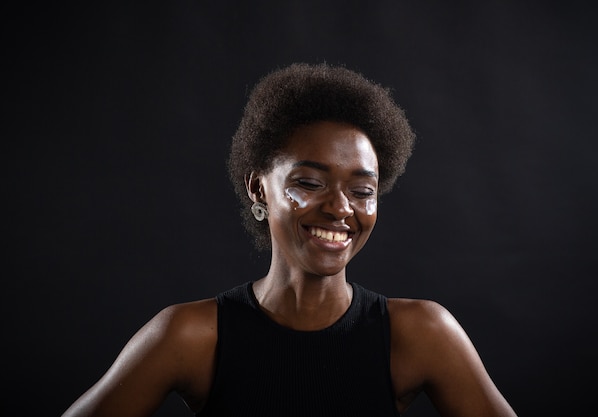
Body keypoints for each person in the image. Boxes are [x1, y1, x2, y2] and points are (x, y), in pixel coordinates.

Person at [62, 63, 517, 416]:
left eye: (362, 191)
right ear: (259, 189)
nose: (341, 208)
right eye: (311, 182)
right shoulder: (191, 336)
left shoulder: (419, 334)